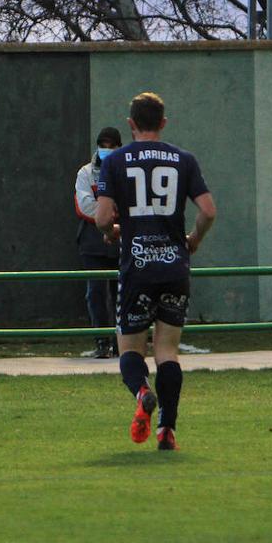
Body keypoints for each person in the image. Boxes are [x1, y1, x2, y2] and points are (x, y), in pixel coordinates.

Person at [95, 92, 217, 451]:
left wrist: (110, 233)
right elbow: (208, 210)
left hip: (137, 268)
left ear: (131, 124)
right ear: (163, 123)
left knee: (130, 350)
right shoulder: (184, 160)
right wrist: (194, 238)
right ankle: (167, 429)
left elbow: (102, 217)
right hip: (175, 267)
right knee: (167, 351)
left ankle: (142, 392)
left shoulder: (115, 161)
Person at [75, 127, 123, 359]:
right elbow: (83, 205)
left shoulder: (126, 170)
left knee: (121, 292)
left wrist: (110, 216)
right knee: (95, 292)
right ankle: (101, 341)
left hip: (121, 238)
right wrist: (108, 214)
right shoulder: (85, 173)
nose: (107, 150)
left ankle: (120, 341)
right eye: (103, 145)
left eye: (112, 145)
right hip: (92, 241)